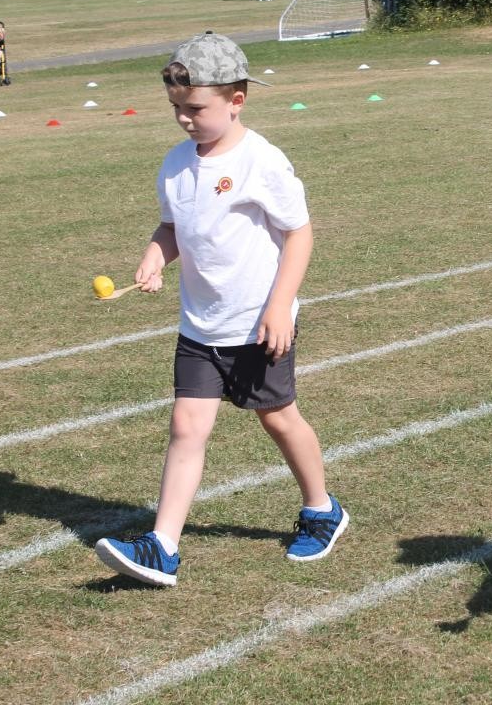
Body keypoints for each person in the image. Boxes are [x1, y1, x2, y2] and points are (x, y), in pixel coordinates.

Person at [94, 33, 349, 587]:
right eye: (176, 109)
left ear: (237, 100)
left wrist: (280, 307)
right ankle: (163, 546)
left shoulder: (262, 161)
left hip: (257, 322)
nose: (185, 120)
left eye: (196, 109)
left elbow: (299, 234)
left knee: (278, 418)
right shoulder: (175, 163)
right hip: (199, 324)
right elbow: (173, 225)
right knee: (187, 425)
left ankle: (322, 508)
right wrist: (154, 256)